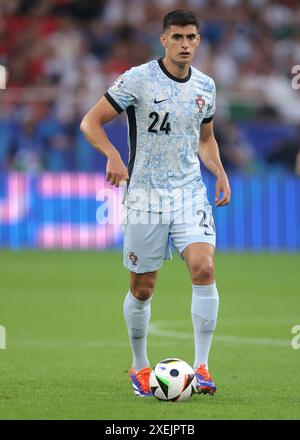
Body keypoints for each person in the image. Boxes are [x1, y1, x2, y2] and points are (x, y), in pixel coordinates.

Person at [80, 9, 231, 397]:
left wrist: (219, 171)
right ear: (163, 40)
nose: (185, 44)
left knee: (204, 267)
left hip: (189, 193)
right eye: (177, 37)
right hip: (144, 196)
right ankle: (139, 366)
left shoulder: (205, 86)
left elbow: (206, 138)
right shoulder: (138, 79)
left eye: (191, 38)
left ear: (199, 41)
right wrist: (113, 155)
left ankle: (202, 367)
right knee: (143, 288)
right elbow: (90, 122)